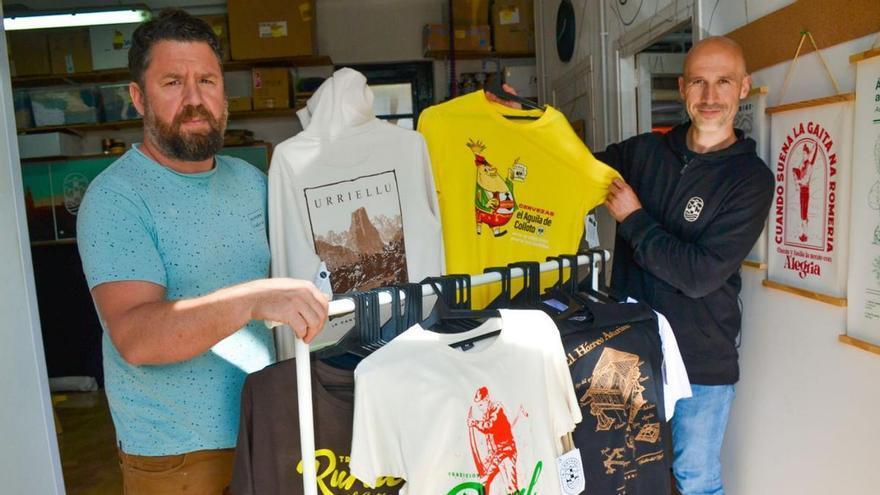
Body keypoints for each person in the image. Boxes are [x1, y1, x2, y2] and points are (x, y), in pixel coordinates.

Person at [76, 10, 328, 494]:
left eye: (207, 80)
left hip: (271, 428)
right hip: (179, 457)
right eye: (172, 82)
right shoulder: (117, 199)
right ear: (138, 98)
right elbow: (136, 337)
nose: (195, 99)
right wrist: (253, 298)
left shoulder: (251, 181)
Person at [598, 37, 774, 494]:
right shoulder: (642, 153)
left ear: (744, 87)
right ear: (682, 88)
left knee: (694, 479)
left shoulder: (750, 180)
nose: (710, 96)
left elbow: (698, 275)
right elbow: (572, 166)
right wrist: (534, 122)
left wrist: (634, 219)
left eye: (723, 82)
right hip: (626, 351)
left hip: (701, 357)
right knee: (623, 471)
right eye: (698, 81)